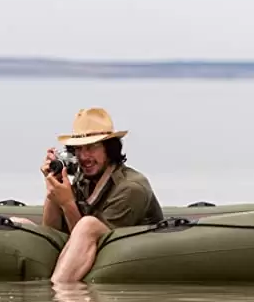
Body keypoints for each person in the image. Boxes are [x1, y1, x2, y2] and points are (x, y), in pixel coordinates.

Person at [39, 107, 164, 283]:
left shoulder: (130, 188)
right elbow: (53, 232)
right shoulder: (86, 178)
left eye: (91, 148)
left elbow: (90, 239)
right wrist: (54, 184)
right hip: (90, 250)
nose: (84, 157)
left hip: (137, 256)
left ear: (108, 149)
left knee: (88, 224)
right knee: (19, 222)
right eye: (79, 149)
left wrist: (67, 203)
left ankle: (59, 291)